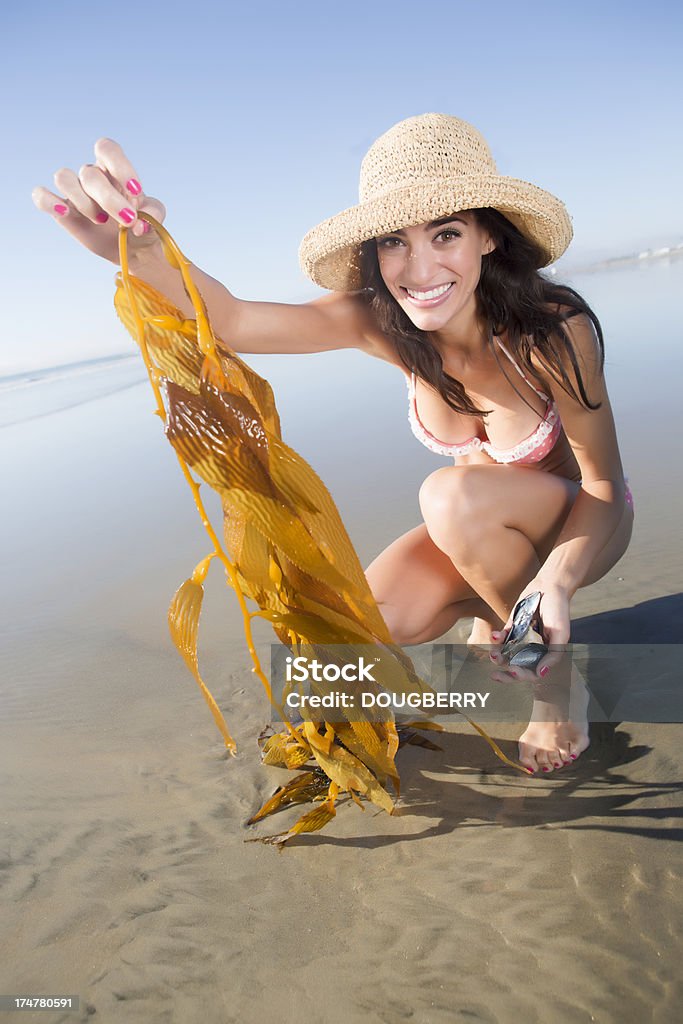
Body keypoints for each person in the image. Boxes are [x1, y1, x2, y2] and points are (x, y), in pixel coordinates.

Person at [32, 113, 633, 775]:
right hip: (476, 532)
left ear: (488, 236)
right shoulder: (384, 323)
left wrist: (552, 582)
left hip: (580, 528)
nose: (419, 267)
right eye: (393, 242)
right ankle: (495, 614)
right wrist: (146, 253)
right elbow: (230, 320)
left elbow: (603, 488)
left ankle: (555, 685)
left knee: (449, 494)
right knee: (352, 643)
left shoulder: (550, 330)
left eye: (446, 234)